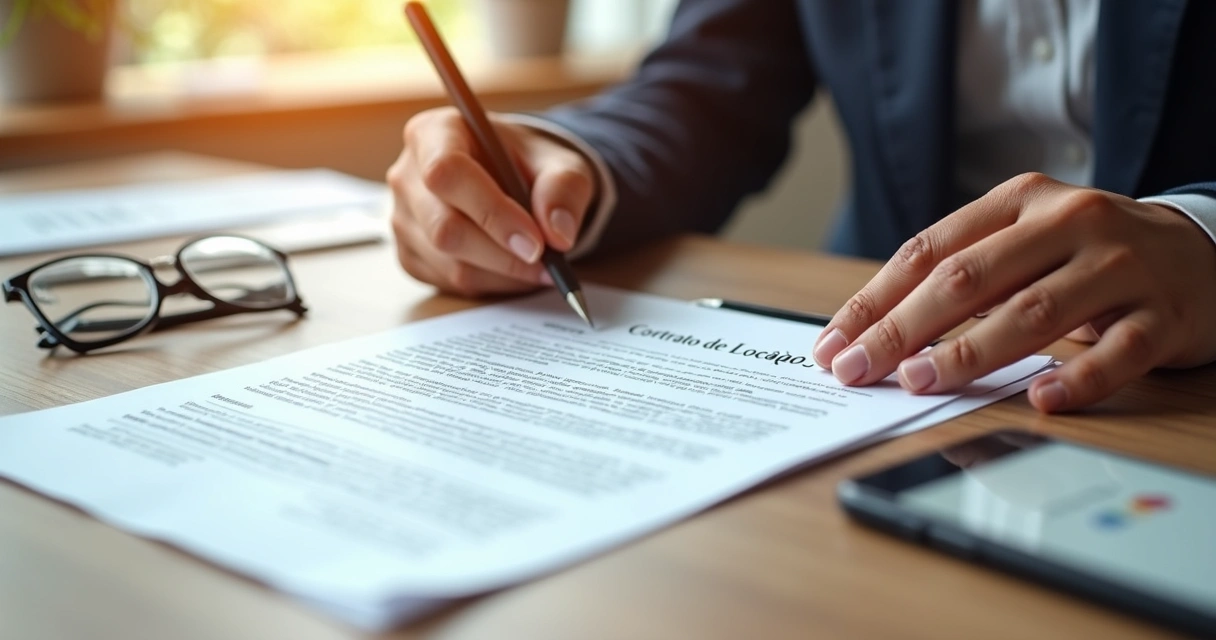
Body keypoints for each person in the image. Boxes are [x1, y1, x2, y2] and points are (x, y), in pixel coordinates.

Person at [385, 0, 1216, 413]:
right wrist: (559, 164)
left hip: (1171, 401)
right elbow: (709, 83)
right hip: (892, 386)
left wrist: (1202, 236)